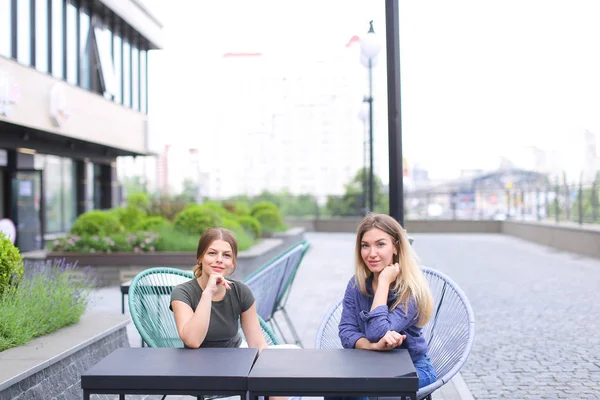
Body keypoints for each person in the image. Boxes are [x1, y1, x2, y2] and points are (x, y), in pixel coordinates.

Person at [331, 213, 437, 400]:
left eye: (380, 244)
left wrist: (383, 284)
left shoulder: (410, 289)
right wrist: (373, 347)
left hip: (412, 369)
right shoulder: (356, 285)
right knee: (336, 392)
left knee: (367, 393)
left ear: (395, 247)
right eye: (365, 245)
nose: (372, 253)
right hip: (369, 367)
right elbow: (346, 332)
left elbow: (377, 332)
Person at [170, 227, 267, 350]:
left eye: (226, 255)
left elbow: (258, 344)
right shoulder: (183, 293)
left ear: (232, 263)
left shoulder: (241, 292)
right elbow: (192, 341)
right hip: (196, 363)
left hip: (234, 359)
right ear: (200, 258)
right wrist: (208, 292)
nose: (219, 260)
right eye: (212, 253)